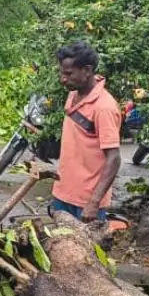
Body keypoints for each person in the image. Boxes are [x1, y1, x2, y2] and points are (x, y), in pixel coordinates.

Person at [49, 40, 123, 222]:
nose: (63, 79)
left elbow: (114, 158)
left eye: (68, 73)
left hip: (87, 203)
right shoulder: (73, 94)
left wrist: (94, 202)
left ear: (87, 70)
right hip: (63, 194)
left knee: (86, 249)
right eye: (61, 73)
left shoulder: (104, 107)